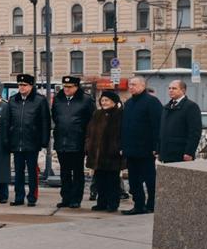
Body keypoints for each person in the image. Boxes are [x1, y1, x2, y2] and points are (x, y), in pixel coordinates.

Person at [119, 76, 162, 216]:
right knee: (134, 180)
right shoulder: (129, 103)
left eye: (134, 85)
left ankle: (152, 204)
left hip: (146, 149)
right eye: (130, 85)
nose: (131, 87)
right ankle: (138, 205)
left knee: (150, 179)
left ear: (143, 86)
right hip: (131, 149)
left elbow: (157, 126)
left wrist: (157, 146)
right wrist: (123, 146)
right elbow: (124, 127)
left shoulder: (152, 102)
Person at [50, 76, 94, 210]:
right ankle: (66, 197)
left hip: (78, 141)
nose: (66, 89)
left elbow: (92, 120)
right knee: (64, 172)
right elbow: (55, 116)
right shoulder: (58, 99)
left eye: (69, 87)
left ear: (76, 87)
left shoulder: (86, 100)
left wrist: (86, 138)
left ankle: (76, 198)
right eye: (65, 87)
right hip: (61, 141)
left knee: (77, 172)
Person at [7, 73, 50, 207]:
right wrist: (8, 138)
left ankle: (32, 197)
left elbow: (45, 122)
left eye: (24, 85)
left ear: (31, 86)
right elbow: (7, 121)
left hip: (32, 141)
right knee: (18, 171)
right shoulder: (13, 100)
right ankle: (19, 197)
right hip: (16, 141)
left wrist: (44, 141)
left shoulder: (39, 100)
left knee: (32, 171)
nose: (22, 87)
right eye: (20, 85)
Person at [86, 89, 124, 212]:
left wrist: (118, 148)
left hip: (112, 154)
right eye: (102, 100)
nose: (104, 102)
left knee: (112, 181)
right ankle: (101, 202)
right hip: (97, 154)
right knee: (100, 180)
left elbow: (122, 134)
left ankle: (113, 204)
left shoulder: (119, 114)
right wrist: (88, 146)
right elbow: (90, 131)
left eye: (106, 100)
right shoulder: (97, 114)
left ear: (114, 102)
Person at [160, 80, 203, 165]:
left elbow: (195, 132)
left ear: (183, 90)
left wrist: (189, 152)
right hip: (166, 153)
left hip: (181, 153)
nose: (171, 90)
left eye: (174, 88)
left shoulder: (191, 106)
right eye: (169, 88)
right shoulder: (166, 107)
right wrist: (159, 150)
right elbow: (161, 130)